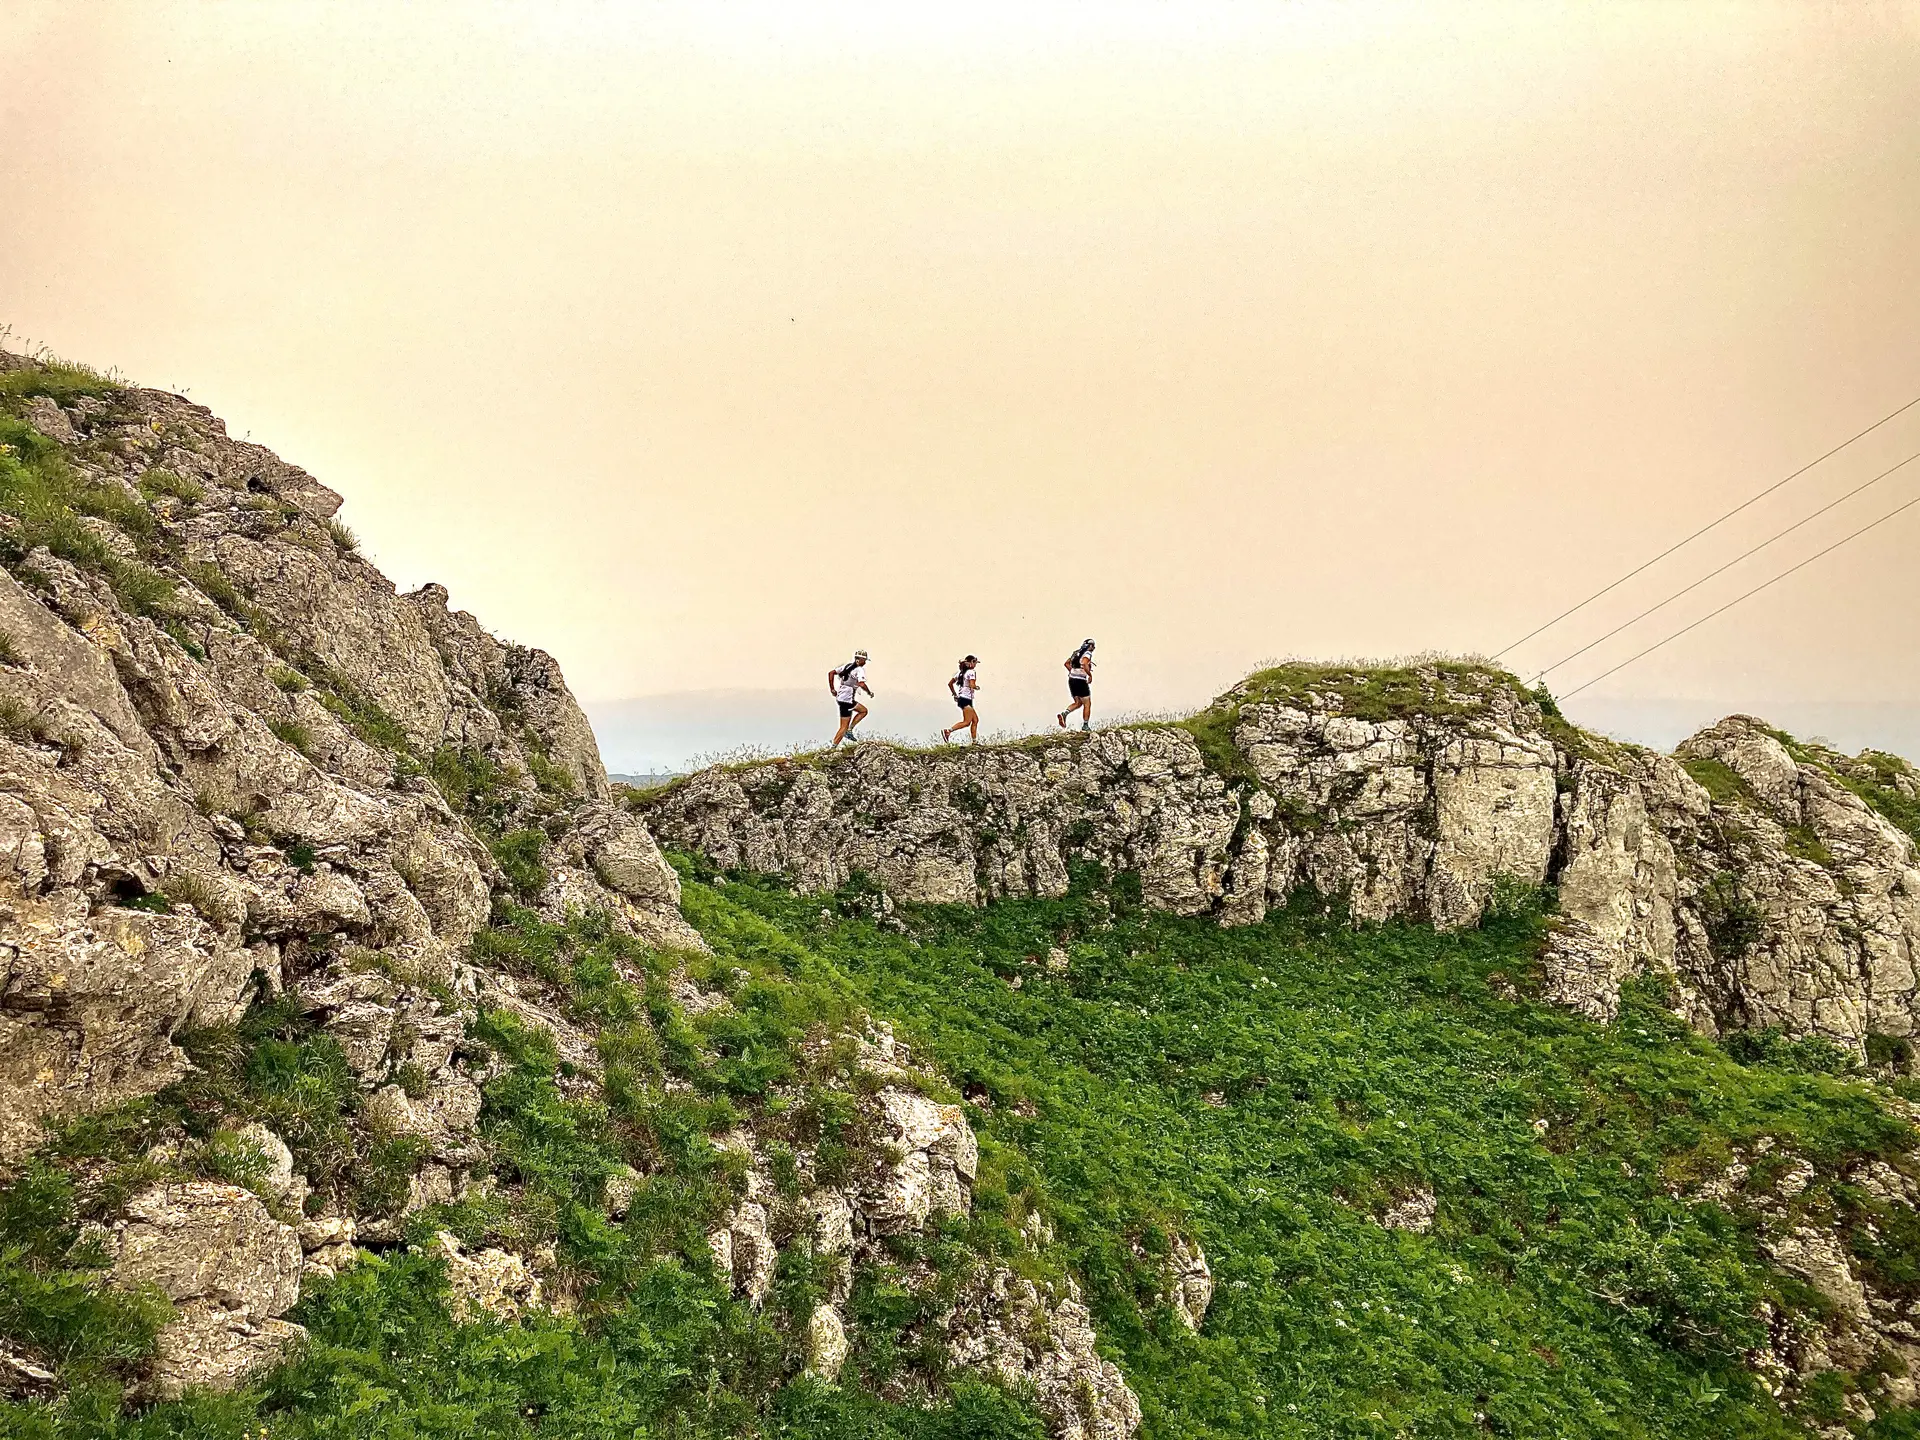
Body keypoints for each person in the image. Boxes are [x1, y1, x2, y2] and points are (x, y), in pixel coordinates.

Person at [828, 650, 872, 746]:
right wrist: (869, 692)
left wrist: (832, 689)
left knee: (863, 711)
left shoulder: (847, 666)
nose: (865, 663)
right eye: (864, 660)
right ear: (861, 660)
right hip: (847, 700)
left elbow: (831, 673)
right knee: (844, 726)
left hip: (841, 697)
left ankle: (846, 733)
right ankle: (845, 734)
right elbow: (861, 684)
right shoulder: (859, 670)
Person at [1057, 638, 1095, 730]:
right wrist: (1089, 675)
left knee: (1078, 703)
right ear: (1090, 646)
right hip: (1080, 680)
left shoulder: (1076, 653)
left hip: (1072, 680)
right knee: (1087, 703)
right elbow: (1085, 663)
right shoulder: (1087, 653)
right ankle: (1085, 726)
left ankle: (1064, 714)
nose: (1094, 648)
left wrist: (1073, 671)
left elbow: (1066, 663)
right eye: (1093, 646)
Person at [943, 655, 981, 743]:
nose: (975, 665)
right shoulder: (971, 672)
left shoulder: (961, 673)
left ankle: (974, 742)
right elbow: (972, 685)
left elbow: (950, 683)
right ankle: (948, 731)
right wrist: (976, 687)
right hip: (966, 698)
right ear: (971, 662)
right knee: (967, 722)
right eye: (975, 663)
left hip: (962, 698)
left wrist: (955, 695)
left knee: (975, 720)